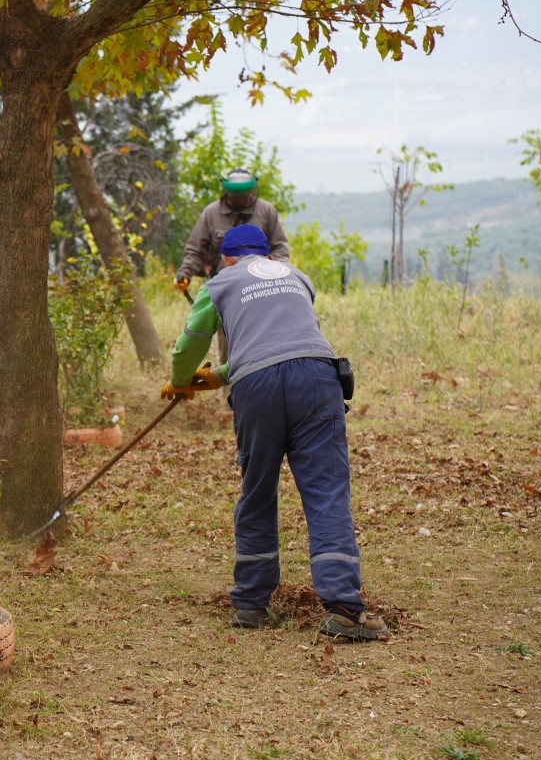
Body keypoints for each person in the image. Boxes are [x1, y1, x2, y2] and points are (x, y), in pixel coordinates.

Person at [161, 223, 388, 641]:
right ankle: (343, 609)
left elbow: (191, 342)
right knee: (325, 492)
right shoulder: (297, 276)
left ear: (225, 258)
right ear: (267, 256)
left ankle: (250, 603)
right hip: (319, 380)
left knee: (259, 489)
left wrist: (181, 380)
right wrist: (219, 376)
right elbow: (286, 340)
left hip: (257, 391)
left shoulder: (219, 283)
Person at [176, 169, 289, 362]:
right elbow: (195, 250)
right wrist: (185, 273)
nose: (239, 200)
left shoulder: (266, 211)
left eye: (243, 196)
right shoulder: (211, 214)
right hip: (226, 288)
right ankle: (230, 389)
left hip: (261, 286)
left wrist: (277, 272)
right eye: (235, 196)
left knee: (262, 338)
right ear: (226, 191)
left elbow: (280, 249)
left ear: (252, 191)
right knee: (228, 340)